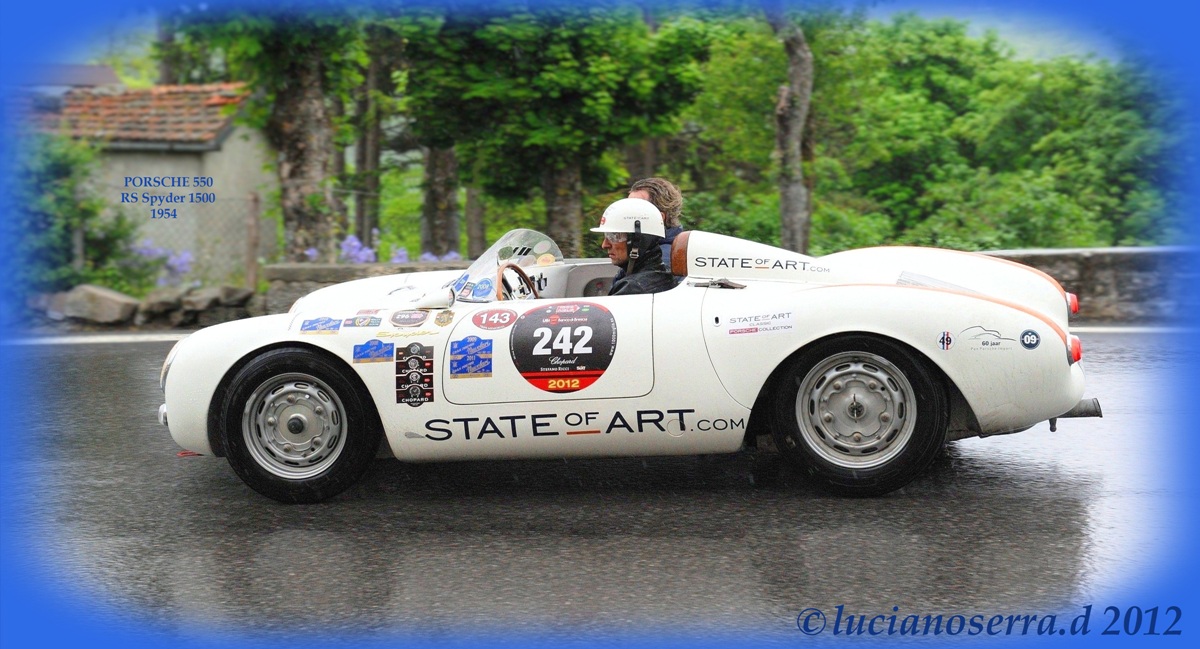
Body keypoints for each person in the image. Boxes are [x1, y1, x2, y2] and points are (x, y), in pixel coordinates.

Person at [592, 197, 676, 296]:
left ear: (638, 240)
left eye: (615, 236)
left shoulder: (633, 289)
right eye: (606, 235)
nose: (604, 245)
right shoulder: (664, 274)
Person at [628, 177, 684, 260]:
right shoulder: (645, 249)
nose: (627, 214)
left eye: (636, 210)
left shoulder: (661, 259)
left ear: (659, 218)